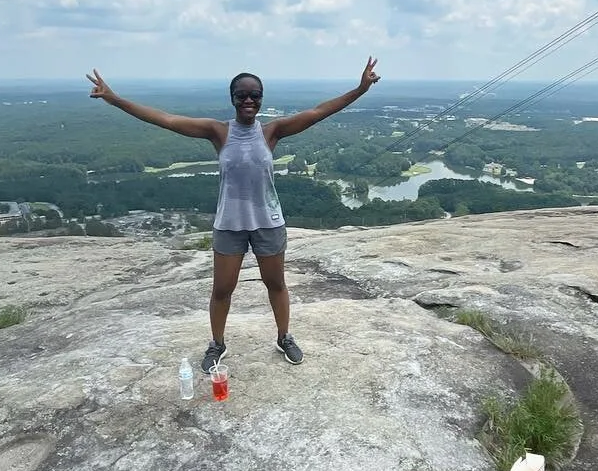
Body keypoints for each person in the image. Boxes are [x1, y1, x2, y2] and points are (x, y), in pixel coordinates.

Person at [87, 59, 381, 372]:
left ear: (262, 98)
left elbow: (319, 112)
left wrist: (361, 89)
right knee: (222, 290)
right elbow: (166, 119)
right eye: (242, 95)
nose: (249, 100)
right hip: (229, 225)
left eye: (255, 94)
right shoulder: (218, 132)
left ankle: (284, 337)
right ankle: (217, 344)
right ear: (232, 98)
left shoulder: (272, 132)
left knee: (276, 284)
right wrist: (113, 98)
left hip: (268, 222)